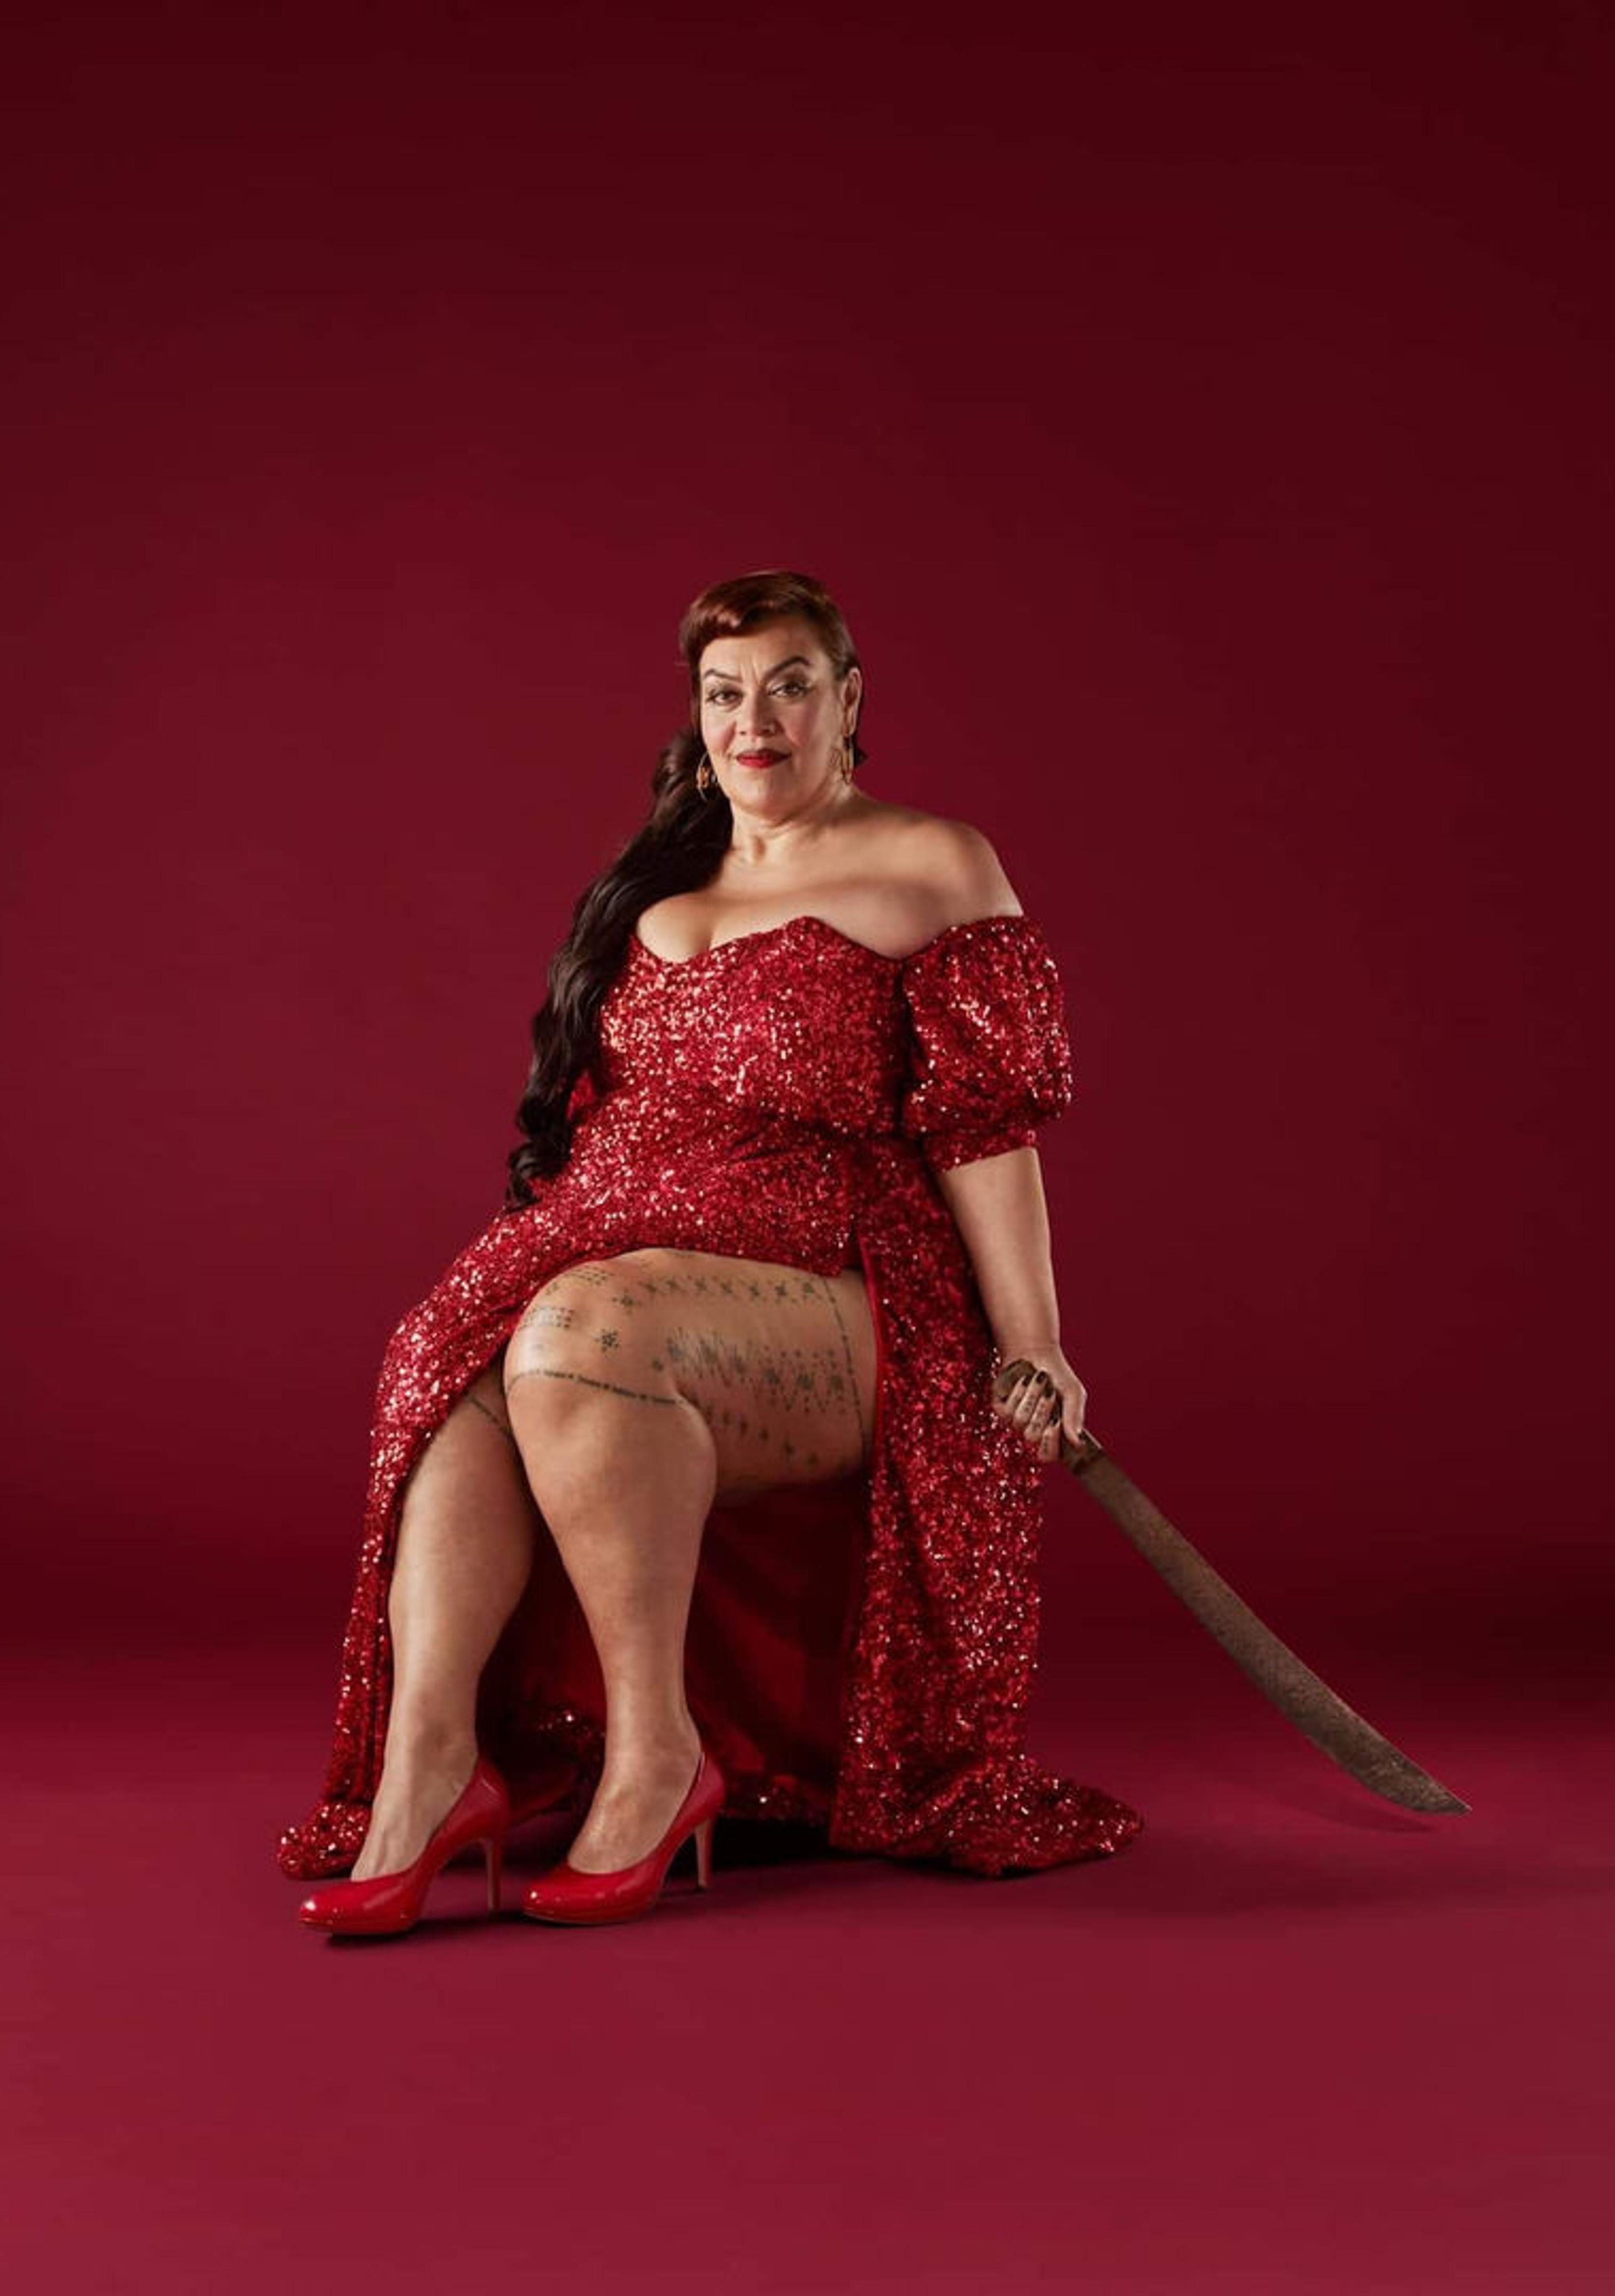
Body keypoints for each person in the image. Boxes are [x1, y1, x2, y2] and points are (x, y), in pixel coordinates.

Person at [281, 568, 1144, 1933]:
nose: (757, 721)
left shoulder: (935, 863)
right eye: (726, 693)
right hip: (615, 1253)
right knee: (450, 1356)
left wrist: (1034, 1341)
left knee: (577, 1334)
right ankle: (429, 1772)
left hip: (848, 1282)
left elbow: (989, 1130)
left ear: (848, 701)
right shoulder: (666, 872)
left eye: (791, 686)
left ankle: (657, 1754)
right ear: (696, 715)